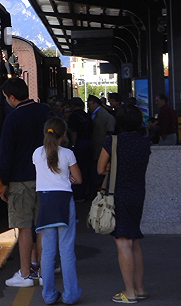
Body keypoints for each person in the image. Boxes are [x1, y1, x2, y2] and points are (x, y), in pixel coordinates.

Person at [0, 78, 52, 287]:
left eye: (5, 98)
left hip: (20, 180)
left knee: (24, 227)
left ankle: (25, 273)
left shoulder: (13, 118)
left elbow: (6, 154)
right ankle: (40, 268)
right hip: (46, 179)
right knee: (42, 226)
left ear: (12, 97)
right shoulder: (45, 112)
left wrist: (4, 182)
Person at [97, 105, 151, 304]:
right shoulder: (144, 143)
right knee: (133, 240)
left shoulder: (113, 141)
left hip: (119, 194)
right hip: (138, 194)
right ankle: (140, 288)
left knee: (123, 242)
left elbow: (100, 168)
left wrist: (111, 167)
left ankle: (129, 293)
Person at [33, 118, 82, 305]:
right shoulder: (68, 154)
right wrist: (68, 177)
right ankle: (70, 295)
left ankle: (48, 295)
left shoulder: (37, 153)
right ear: (63, 135)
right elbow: (78, 179)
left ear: (46, 132)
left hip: (45, 202)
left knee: (47, 251)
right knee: (67, 250)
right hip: (63, 202)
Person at [67, 97, 93, 200]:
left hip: (79, 144)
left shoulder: (73, 116)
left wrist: (73, 145)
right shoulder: (87, 115)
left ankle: (79, 194)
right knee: (87, 168)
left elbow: (74, 132)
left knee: (78, 169)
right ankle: (88, 192)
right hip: (89, 144)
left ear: (73, 106)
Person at [88, 95, 116, 161]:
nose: (89, 107)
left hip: (100, 143)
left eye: (90, 104)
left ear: (95, 103)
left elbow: (110, 121)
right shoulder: (96, 113)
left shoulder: (102, 114)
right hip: (98, 143)